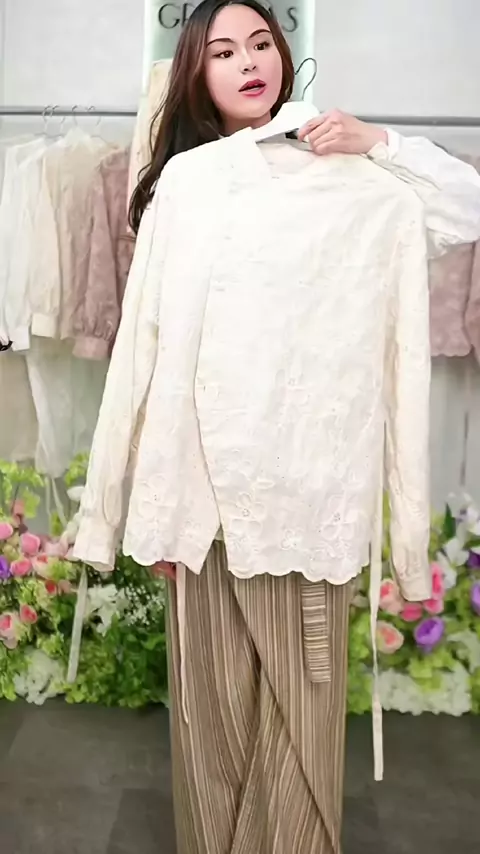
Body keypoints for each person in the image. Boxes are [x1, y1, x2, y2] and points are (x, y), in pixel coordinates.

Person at [74, 1, 480, 852]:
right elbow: (144, 350)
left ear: (285, 56)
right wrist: (136, 509)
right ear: (196, 73)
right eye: (224, 51)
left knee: (301, 733)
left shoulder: (363, 184)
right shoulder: (186, 186)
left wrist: (379, 142)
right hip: (203, 508)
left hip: (310, 509)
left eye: (261, 43)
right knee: (211, 733)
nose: (249, 62)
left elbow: (468, 207)